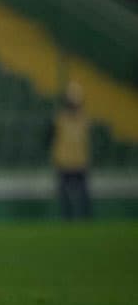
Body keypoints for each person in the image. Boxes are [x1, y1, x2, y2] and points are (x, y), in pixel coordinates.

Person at [47, 81, 92, 220]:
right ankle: (68, 221)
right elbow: (50, 138)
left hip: (80, 162)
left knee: (84, 197)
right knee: (64, 197)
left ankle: (86, 221)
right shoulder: (60, 119)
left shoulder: (84, 119)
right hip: (64, 162)